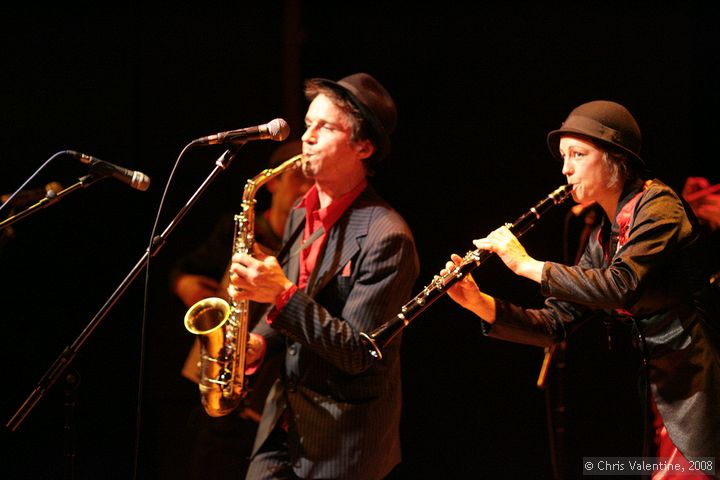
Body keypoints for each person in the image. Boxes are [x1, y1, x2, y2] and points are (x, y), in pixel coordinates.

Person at [444, 101, 719, 478]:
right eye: (563, 156)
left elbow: (621, 285)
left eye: (578, 154)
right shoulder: (601, 237)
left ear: (616, 158)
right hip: (653, 394)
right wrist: (478, 303)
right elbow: (556, 324)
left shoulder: (660, 208)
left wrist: (527, 265)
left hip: (697, 388)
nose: (565, 168)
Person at [227, 73, 419, 480]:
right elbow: (298, 305)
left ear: (363, 147)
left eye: (325, 127)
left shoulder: (389, 237)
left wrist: (280, 293)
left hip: (343, 441)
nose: (307, 138)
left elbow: (356, 352)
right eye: (309, 124)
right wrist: (260, 340)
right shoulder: (301, 208)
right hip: (284, 421)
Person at [170, 139, 312, 479]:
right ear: (273, 182)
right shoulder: (238, 230)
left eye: (312, 181)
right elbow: (187, 267)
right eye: (297, 178)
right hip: (222, 380)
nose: (305, 188)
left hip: (269, 402)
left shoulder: (311, 243)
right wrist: (184, 284)